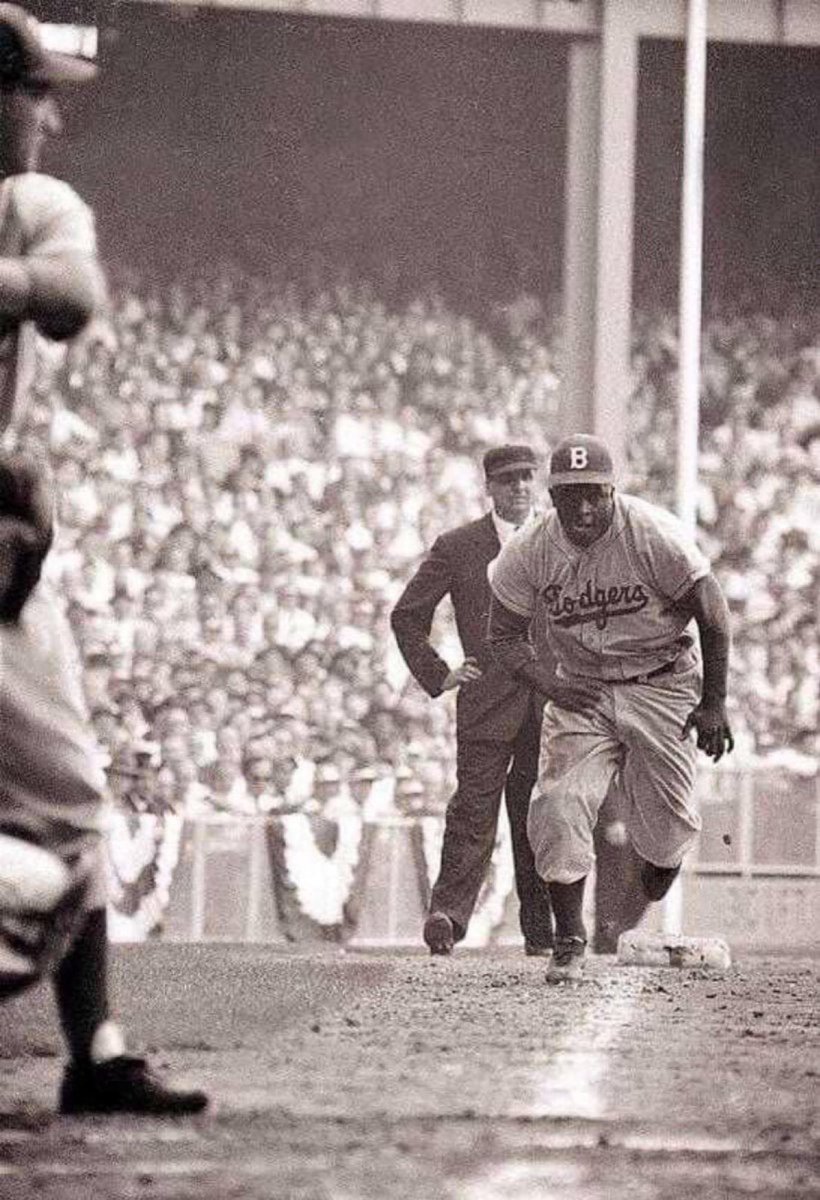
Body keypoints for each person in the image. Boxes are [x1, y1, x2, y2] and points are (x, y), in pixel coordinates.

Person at [0, 5, 208, 1113]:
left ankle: (96, 1050)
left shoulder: (29, 205)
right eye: (36, 93)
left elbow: (74, 300)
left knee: (73, 803)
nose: (50, 120)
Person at [488, 433, 734, 982]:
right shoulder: (529, 549)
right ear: (552, 496)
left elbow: (713, 612)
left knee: (667, 834)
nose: (583, 508)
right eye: (570, 495)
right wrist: (549, 685)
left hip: (661, 681)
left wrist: (714, 702)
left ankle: (659, 868)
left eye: (594, 494)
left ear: (612, 492)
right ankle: (568, 938)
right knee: (558, 803)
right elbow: (502, 635)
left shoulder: (651, 532)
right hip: (583, 687)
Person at [391, 445, 555, 956]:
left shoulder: (561, 539)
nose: (520, 487)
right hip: (486, 699)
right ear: (489, 488)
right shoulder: (459, 546)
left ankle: (544, 931)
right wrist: (440, 675)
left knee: (541, 815)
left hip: (550, 700)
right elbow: (407, 615)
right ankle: (447, 917)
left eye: (527, 477)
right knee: (473, 811)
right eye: (508, 480)